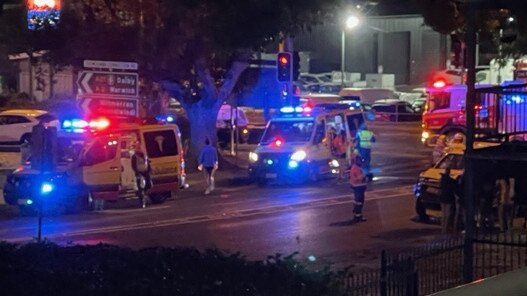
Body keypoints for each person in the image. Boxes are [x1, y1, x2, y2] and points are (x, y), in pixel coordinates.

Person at [131, 142, 152, 208]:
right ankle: (142, 202)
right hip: (139, 173)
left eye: (140, 147)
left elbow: (147, 163)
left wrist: (149, 170)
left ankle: (141, 194)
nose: (139, 148)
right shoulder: (134, 156)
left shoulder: (144, 155)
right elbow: (133, 165)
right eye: (138, 147)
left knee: (149, 185)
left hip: (146, 172)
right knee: (141, 188)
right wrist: (137, 173)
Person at [349, 155, 368, 223]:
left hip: (361, 186)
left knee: (360, 202)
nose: (360, 161)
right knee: (359, 202)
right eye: (359, 160)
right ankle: (357, 216)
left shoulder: (359, 167)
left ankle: (358, 215)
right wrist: (361, 177)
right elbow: (355, 179)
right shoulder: (355, 168)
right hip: (357, 187)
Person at [439, 167, 457, 234]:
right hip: (448, 198)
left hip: (443, 198)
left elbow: (440, 188)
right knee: (447, 214)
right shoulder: (451, 181)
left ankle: (443, 228)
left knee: (443, 214)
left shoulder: (442, 180)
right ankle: (445, 229)